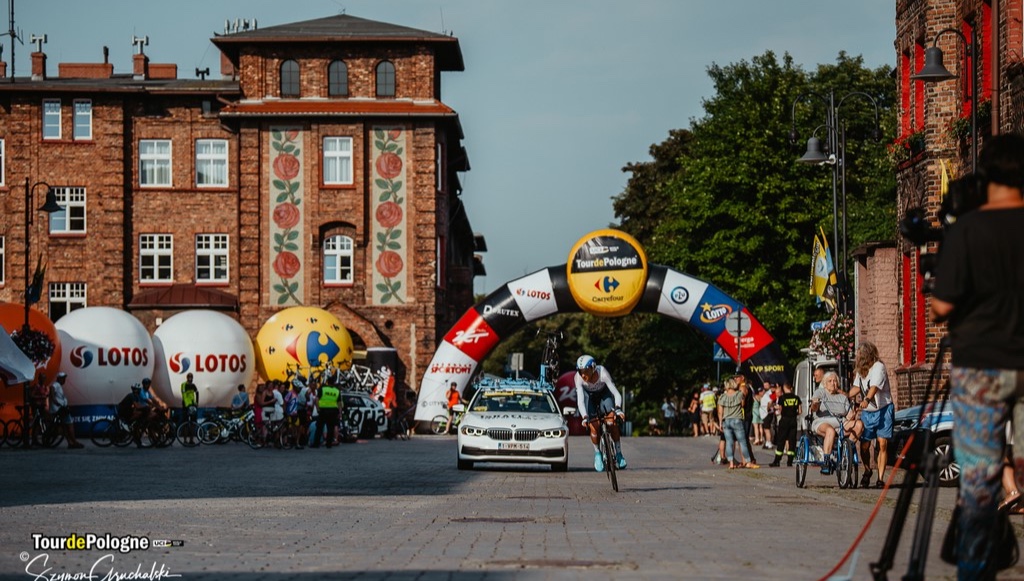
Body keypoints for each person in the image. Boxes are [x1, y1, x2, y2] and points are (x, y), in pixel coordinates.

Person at [930, 133, 1024, 579]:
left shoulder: (968, 229)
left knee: (980, 483)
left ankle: (974, 572)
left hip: (982, 364)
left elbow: (941, 308)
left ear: (986, 176)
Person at [850, 341, 893, 489]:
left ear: (867, 355)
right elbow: (856, 387)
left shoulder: (878, 367)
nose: (858, 357)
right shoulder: (861, 371)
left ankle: (880, 478)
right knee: (864, 445)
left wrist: (867, 399)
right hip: (868, 413)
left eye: (860, 355)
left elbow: (874, 387)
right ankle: (867, 470)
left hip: (883, 409)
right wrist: (844, 395)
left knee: (882, 443)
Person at [574, 354, 627, 471]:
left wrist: (617, 408)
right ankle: (597, 453)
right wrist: (585, 417)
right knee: (594, 426)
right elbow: (581, 401)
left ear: (593, 368)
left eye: (586, 371)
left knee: (611, 422)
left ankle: (618, 453)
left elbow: (616, 393)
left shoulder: (602, 373)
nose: (583, 375)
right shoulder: (578, 378)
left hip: (604, 394)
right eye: (580, 371)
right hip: (590, 398)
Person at [810, 371, 861, 475]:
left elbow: (849, 415)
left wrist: (852, 415)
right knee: (830, 431)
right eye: (830, 381)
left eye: (835, 381)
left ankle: (846, 452)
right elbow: (814, 408)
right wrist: (815, 404)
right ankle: (826, 461)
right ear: (825, 383)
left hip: (841, 422)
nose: (833, 383)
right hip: (822, 421)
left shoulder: (842, 398)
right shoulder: (820, 392)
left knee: (859, 425)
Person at [717, 377, 757, 469]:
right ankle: (747, 462)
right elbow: (742, 404)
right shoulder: (739, 394)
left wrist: (720, 423)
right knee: (742, 442)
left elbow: (720, 411)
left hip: (726, 421)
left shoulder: (723, 396)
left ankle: (731, 463)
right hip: (737, 420)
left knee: (729, 442)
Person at [769, 383, 801, 467]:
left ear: (784, 388)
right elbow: (800, 411)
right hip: (793, 421)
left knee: (781, 440)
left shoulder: (782, 398)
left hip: (784, 420)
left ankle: (777, 460)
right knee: (792, 440)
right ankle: (790, 461)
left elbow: (780, 410)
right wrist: (793, 413)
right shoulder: (796, 398)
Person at [49, 372, 83, 448]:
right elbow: (52, 389)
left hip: (59, 408)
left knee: (64, 427)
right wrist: (55, 400)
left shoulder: (59, 386)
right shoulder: (56, 385)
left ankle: (70, 443)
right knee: (69, 423)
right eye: (63, 378)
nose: (64, 380)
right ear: (59, 379)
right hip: (60, 409)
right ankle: (74, 442)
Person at [312, 382, 340, 448]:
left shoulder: (322, 389)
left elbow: (317, 399)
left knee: (319, 428)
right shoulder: (336, 391)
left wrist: (318, 409)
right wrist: (339, 412)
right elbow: (339, 403)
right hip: (333, 411)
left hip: (323, 411)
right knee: (330, 428)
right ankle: (329, 444)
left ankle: (316, 444)